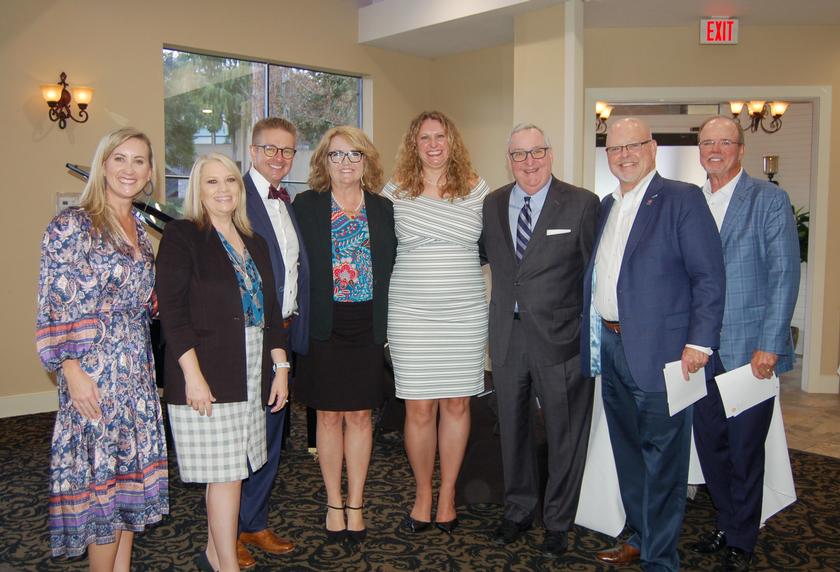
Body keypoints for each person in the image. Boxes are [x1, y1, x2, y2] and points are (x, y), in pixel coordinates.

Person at [581, 117, 725, 571]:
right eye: (615, 148)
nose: (624, 154)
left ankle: (661, 559)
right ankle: (641, 538)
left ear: (653, 147)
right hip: (612, 345)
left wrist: (699, 343)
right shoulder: (606, 206)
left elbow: (708, 276)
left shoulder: (681, 200)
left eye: (634, 145)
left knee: (664, 462)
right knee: (627, 452)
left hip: (665, 355)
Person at [35, 127, 169, 570]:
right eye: (119, 158)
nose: (129, 169)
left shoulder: (141, 229)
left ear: (150, 172)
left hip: (137, 372)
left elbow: (145, 304)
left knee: (127, 488)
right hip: (94, 372)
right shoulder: (73, 225)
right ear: (102, 164)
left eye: (139, 161)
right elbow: (55, 303)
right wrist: (70, 370)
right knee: (102, 490)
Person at [157, 153, 289, 572]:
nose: (223, 190)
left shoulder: (255, 242)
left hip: (250, 367)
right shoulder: (183, 236)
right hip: (207, 368)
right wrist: (192, 377)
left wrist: (280, 366)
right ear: (198, 189)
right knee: (226, 473)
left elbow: (271, 312)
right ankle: (226, 564)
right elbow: (173, 314)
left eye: (229, 180)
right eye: (211, 182)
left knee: (234, 469)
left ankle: (215, 555)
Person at [480, 123, 599, 557]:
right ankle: (518, 510)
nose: (529, 162)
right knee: (511, 428)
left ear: (551, 154)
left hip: (561, 340)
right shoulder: (491, 205)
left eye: (537, 152)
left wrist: (591, 337)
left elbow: (593, 277)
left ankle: (559, 520)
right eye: (519, 155)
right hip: (508, 340)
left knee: (565, 432)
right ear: (508, 160)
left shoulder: (582, 204)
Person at [689, 116, 800, 572]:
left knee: (744, 448)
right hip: (698, 352)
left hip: (749, 351)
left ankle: (742, 535)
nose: (715, 149)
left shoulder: (769, 200)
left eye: (724, 142)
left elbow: (784, 276)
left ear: (740, 149)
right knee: (711, 444)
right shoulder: (691, 202)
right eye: (707, 142)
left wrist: (770, 344)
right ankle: (725, 520)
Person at [381, 110, 490, 535]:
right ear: (414, 144)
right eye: (424, 137)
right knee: (420, 407)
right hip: (411, 312)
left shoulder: (477, 189)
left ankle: (448, 496)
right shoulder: (395, 192)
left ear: (452, 140)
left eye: (439, 136)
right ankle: (423, 493)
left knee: (458, 404)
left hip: (464, 311)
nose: (432, 144)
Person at [293, 126, 396, 544]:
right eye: (336, 156)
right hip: (325, 327)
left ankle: (357, 502)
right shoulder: (307, 206)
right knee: (329, 415)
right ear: (323, 162)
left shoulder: (384, 208)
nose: (346, 163)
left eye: (354, 155)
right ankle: (333, 502)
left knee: (360, 415)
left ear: (366, 160)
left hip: (368, 326)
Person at [238, 117, 309, 569]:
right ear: (252, 150)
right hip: (246, 335)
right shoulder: (234, 197)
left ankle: (254, 521)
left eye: (287, 151)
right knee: (240, 438)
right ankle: (227, 533)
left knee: (270, 431)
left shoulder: (290, 203)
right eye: (270, 149)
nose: (279, 158)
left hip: (281, 331)